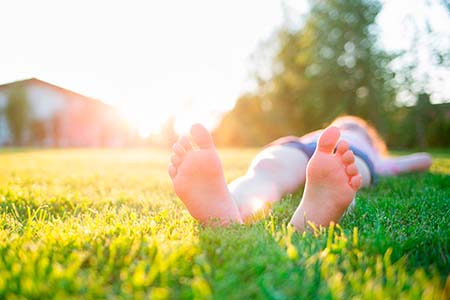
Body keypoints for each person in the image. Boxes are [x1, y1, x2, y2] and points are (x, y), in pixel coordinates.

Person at [167, 116, 432, 232]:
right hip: (343, 152)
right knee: (346, 175)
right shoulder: (374, 153)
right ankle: (318, 212)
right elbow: (419, 161)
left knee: (266, 173)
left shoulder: (317, 135)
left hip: (295, 145)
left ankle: (234, 203)